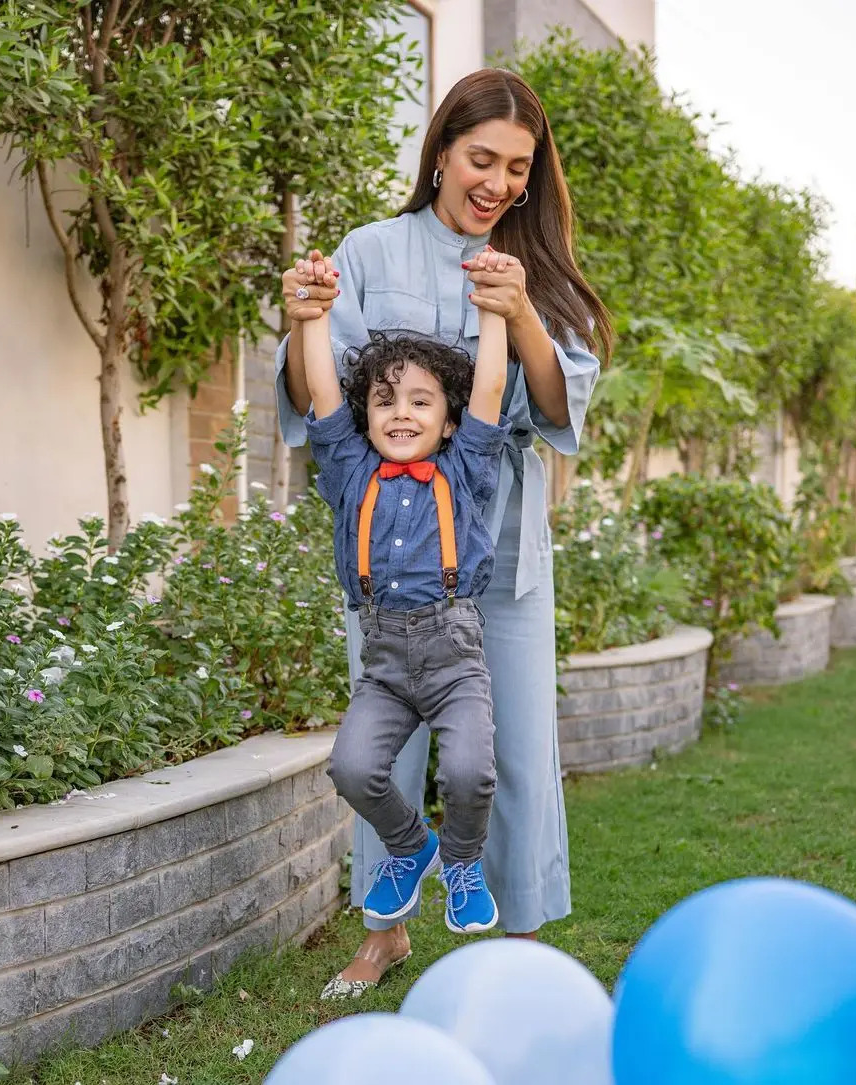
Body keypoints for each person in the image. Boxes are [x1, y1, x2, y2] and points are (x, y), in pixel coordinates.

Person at [275, 68, 613, 1001]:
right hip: (395, 556)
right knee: (386, 740)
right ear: (440, 154)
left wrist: (522, 319)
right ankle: (385, 930)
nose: (499, 182)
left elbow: (556, 408)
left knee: (510, 747)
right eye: (481, 159)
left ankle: (524, 931)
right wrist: (300, 311)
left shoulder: (531, 269)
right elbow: (320, 397)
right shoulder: (374, 252)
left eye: (518, 167)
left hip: (503, 547)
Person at [302, 270, 513, 935]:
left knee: (471, 772)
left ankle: (460, 862)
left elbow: (492, 388)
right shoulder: (349, 470)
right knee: (353, 766)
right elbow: (319, 391)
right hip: (385, 661)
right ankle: (407, 843)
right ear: (365, 415)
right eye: (385, 400)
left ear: (449, 422)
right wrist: (315, 312)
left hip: (454, 653)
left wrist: (496, 310)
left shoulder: (463, 468)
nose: (401, 413)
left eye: (422, 403)